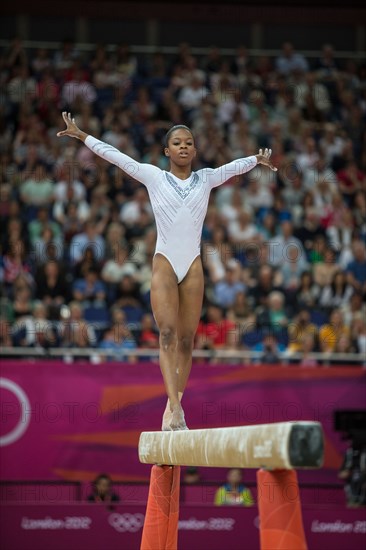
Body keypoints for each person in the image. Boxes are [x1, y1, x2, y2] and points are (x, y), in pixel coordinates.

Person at [57, 111, 277, 430]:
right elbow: (117, 157)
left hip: (193, 265)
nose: (184, 147)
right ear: (167, 151)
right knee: (168, 334)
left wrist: (256, 159)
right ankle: (175, 409)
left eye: (189, 143)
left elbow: (233, 168)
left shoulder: (207, 178)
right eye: (177, 143)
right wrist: (82, 136)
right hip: (164, 262)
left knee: (188, 340)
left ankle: (176, 401)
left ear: (195, 150)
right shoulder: (154, 177)